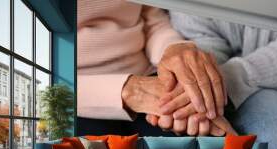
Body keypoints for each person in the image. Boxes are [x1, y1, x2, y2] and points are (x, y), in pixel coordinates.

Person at [148, 12, 277, 149]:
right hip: (237, 77)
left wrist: (214, 86)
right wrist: (195, 84)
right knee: (272, 130)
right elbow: (207, 40)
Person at [77, 0, 235, 136]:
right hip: (75, 97)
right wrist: (128, 92)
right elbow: (51, 84)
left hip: (149, 77)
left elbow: (152, 22)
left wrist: (173, 53)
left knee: (206, 110)